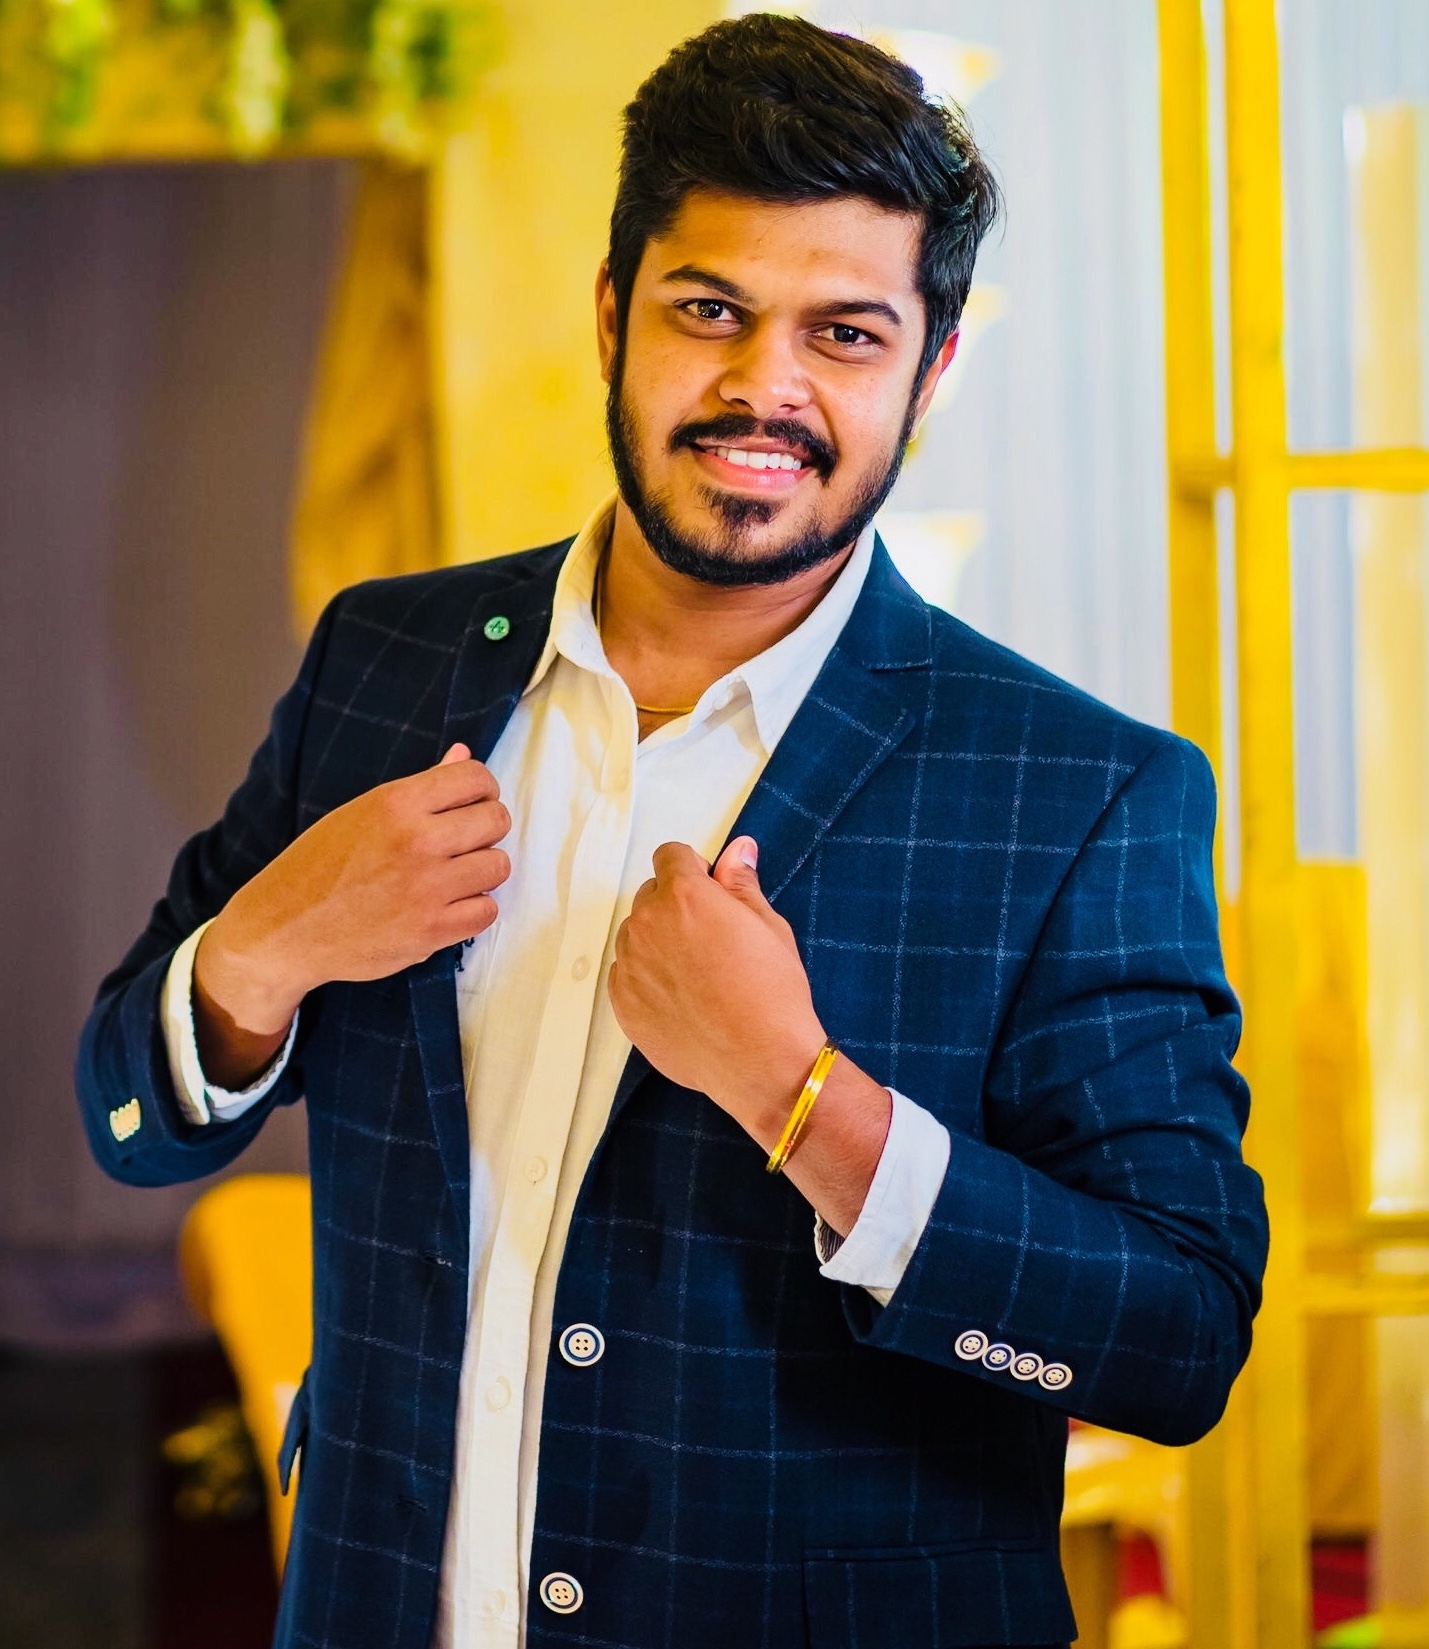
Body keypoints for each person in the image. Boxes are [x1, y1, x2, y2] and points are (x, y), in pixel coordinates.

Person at [76, 14, 1268, 1649]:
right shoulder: (385, 661)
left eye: (843, 333)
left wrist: (802, 1098)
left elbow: (1176, 1339)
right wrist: (266, 947)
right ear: (611, 315)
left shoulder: (1076, 788)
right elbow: (129, 1112)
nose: (762, 385)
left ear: (929, 370)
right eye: (710, 309)